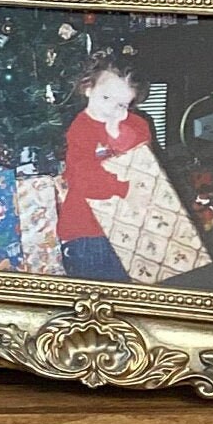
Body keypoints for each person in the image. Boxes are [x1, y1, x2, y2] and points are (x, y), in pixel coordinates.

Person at [56, 58, 152, 281]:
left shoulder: (136, 124)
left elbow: (143, 160)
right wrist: (124, 189)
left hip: (130, 224)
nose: (112, 108)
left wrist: (117, 133)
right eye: (106, 97)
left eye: (122, 104)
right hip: (90, 232)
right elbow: (84, 180)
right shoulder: (81, 129)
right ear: (88, 88)